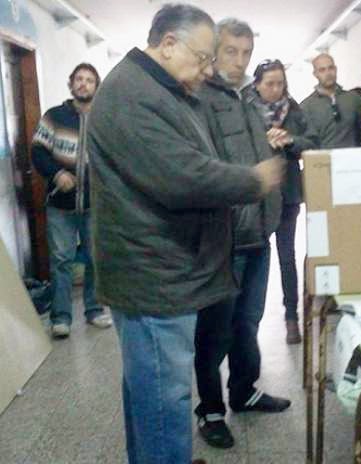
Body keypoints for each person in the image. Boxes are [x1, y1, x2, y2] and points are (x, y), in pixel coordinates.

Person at [87, 6, 283, 463]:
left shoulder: (160, 88)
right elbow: (184, 176)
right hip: (153, 277)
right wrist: (254, 180)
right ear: (168, 44)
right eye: (203, 57)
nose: (207, 70)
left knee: (150, 395)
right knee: (163, 399)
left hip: (163, 269)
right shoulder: (133, 96)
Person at [194, 18, 291, 450]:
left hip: (258, 234)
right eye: (230, 51)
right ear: (214, 51)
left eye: (246, 52)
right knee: (215, 330)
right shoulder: (200, 100)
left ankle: (244, 391)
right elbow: (205, 171)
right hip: (224, 239)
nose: (239, 61)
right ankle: (211, 410)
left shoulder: (248, 102)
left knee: (248, 322)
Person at [31, 62, 112, 339]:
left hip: (95, 205)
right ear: (71, 84)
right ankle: (61, 317)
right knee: (61, 261)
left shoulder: (105, 118)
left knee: (95, 259)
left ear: (96, 87)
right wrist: (56, 174)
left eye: (89, 80)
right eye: (79, 79)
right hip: (60, 206)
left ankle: (94, 310)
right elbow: (38, 152)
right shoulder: (54, 117)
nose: (83, 84)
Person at [246, 58, 319, 344]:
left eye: (280, 83)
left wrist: (289, 140)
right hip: (256, 196)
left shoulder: (294, 109)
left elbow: (312, 142)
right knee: (256, 257)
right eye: (270, 84)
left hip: (287, 195)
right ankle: (248, 322)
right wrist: (262, 141)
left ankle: (291, 318)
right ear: (257, 85)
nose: (276, 89)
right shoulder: (245, 108)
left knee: (287, 256)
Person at [300, 53, 361, 148]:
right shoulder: (306, 107)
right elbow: (307, 142)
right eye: (322, 70)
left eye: (331, 68)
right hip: (323, 157)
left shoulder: (353, 99)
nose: (328, 73)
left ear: (336, 69)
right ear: (315, 74)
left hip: (354, 155)